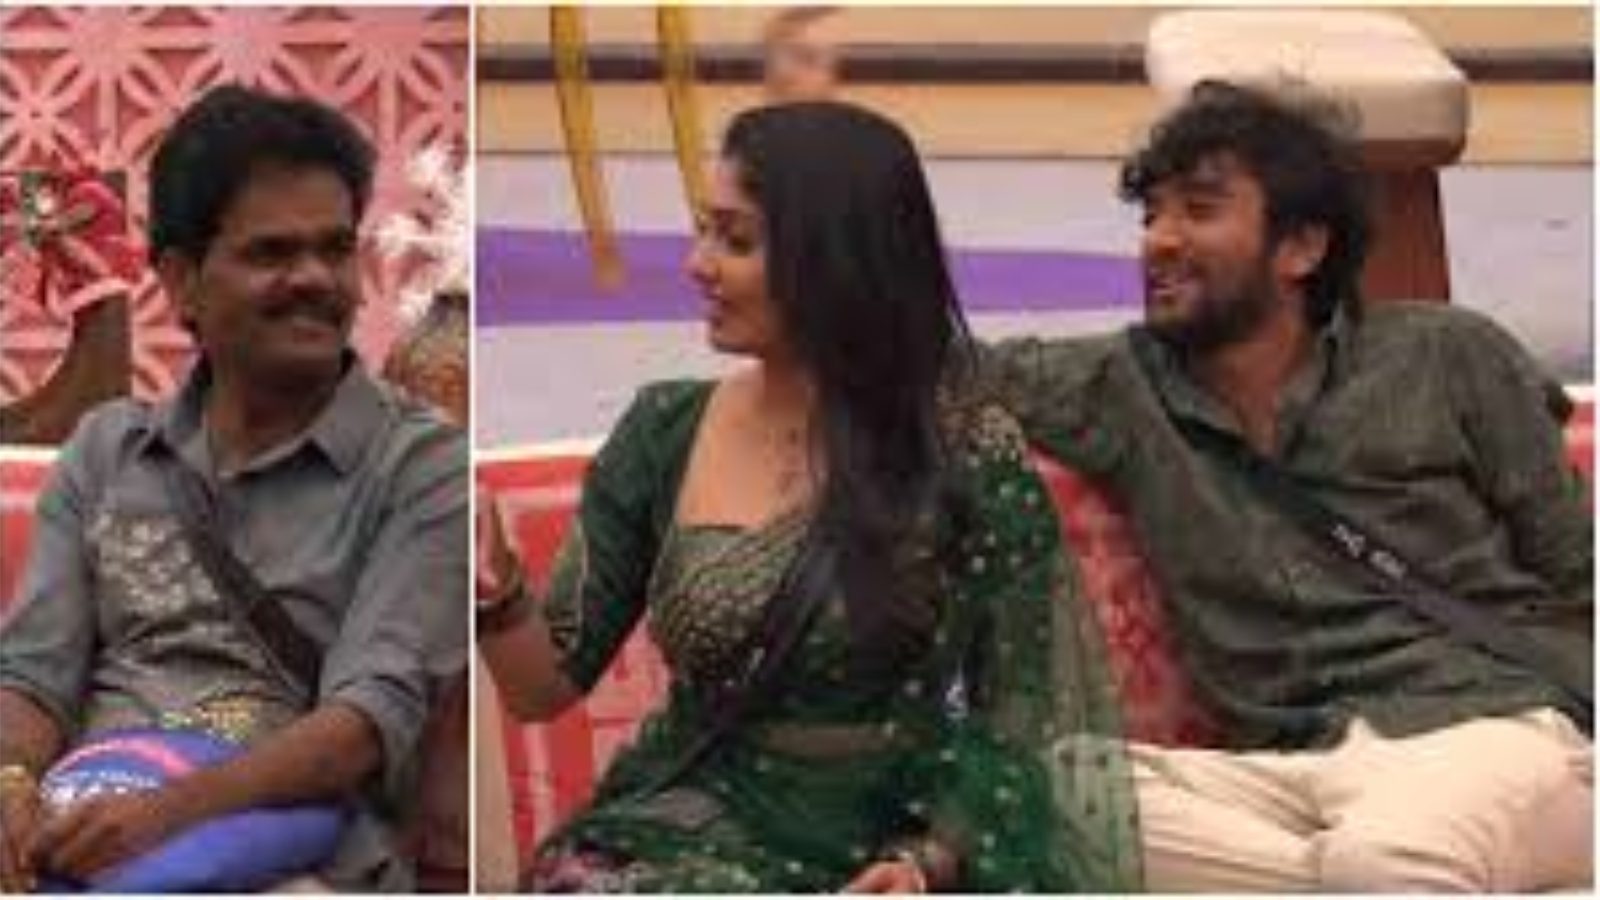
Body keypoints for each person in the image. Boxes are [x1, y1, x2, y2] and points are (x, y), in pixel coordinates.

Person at [475, 100, 1139, 893]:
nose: (696, 264)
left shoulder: (961, 452)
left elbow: (1025, 709)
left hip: (884, 836)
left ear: (837, 259)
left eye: (736, 241)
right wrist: (495, 592)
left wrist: (927, 861)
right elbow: (540, 688)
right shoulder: (663, 431)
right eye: (703, 231)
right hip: (682, 821)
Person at [982, 79, 1593, 891]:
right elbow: (911, 364)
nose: (1159, 240)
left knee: (1387, 855)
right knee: (1043, 794)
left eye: (1199, 210)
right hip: (1285, 773)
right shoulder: (1118, 387)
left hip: (1488, 729)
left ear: (1301, 248)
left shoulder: (1446, 355)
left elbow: (1576, 571)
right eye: (1150, 215)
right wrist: (824, 160)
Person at [0, 84, 468, 892]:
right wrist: (11, 789)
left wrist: (168, 816)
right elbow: (34, 672)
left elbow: (365, 722)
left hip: (300, 851)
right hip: (86, 822)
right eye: (271, 253)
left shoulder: (421, 468)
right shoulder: (108, 452)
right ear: (182, 280)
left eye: (334, 249)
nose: (314, 277)